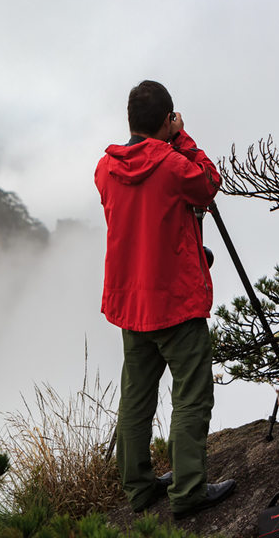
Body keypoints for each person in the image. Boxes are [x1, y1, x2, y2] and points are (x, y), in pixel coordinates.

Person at [95, 80, 236, 519]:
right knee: (191, 394)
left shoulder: (106, 169)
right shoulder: (175, 165)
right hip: (175, 302)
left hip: (131, 303)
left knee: (137, 397)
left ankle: (138, 487)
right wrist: (182, 138)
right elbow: (209, 184)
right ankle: (188, 489)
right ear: (166, 120)